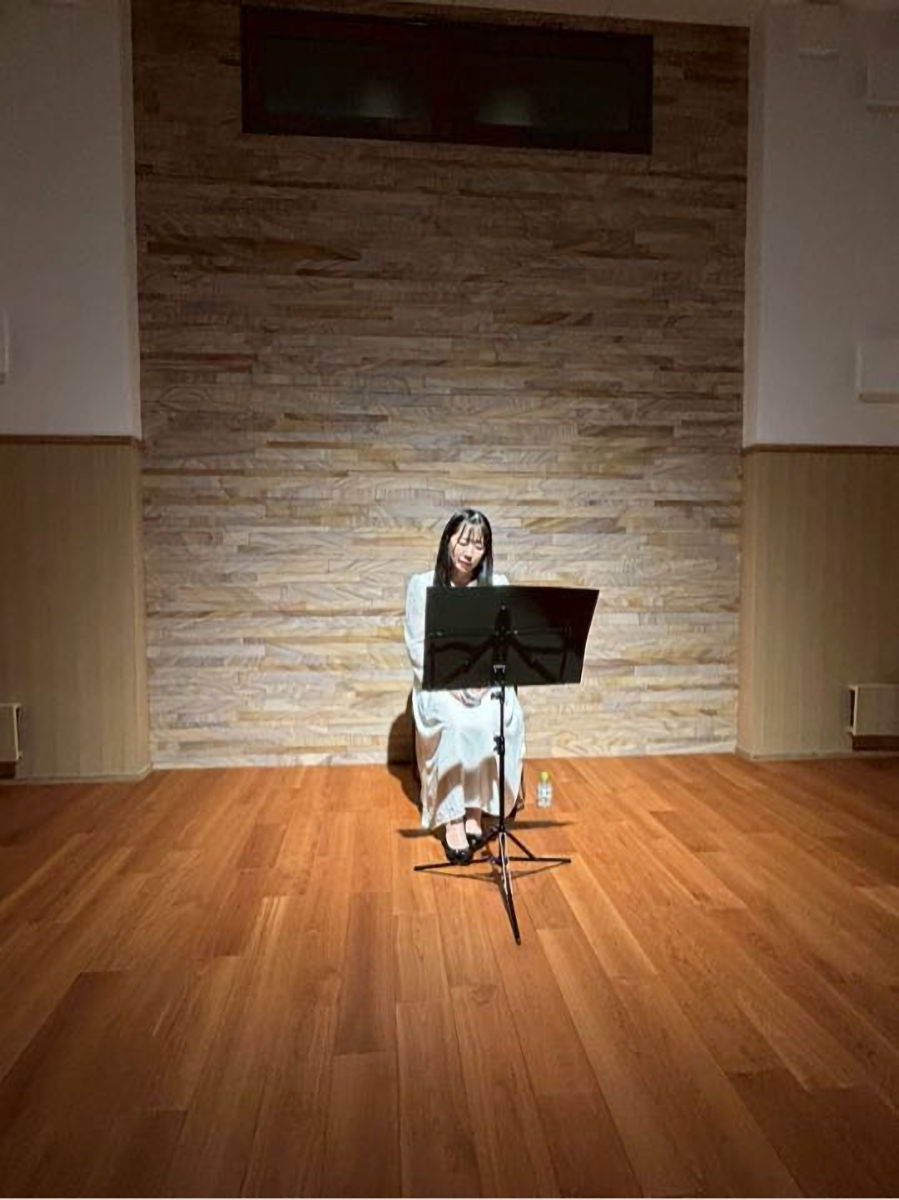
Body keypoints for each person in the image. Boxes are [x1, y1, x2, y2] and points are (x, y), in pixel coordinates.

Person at [404, 508, 525, 863]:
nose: (468, 552)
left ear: (486, 551)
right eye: (463, 541)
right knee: (455, 723)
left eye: (478, 545)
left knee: (491, 719)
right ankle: (453, 818)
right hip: (439, 681)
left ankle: (476, 809)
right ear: (448, 541)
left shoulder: (497, 586)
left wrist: (484, 683)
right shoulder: (422, 585)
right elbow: (417, 645)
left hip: (485, 681)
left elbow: (503, 645)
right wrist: (452, 684)